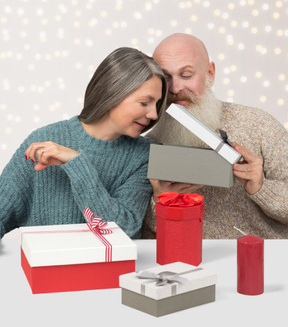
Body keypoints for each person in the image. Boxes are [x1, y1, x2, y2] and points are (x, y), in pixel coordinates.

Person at [0, 47, 167, 240]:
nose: (154, 114)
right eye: (145, 102)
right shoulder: (45, 140)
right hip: (46, 268)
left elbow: (123, 231)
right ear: (113, 92)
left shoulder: (143, 156)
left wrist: (77, 163)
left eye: (157, 104)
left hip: (113, 270)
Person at [142, 33, 288, 239]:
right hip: (185, 264)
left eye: (186, 75)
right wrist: (161, 200)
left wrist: (261, 188)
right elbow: (142, 236)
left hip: (263, 261)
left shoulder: (260, 125)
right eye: (165, 78)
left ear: (210, 73)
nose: (175, 88)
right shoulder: (149, 143)